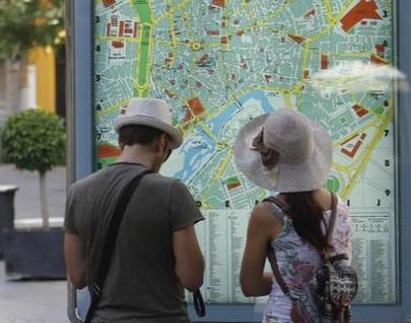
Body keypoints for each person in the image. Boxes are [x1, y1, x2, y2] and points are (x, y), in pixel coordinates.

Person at [64, 98, 205, 322]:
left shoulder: (78, 192)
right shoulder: (172, 191)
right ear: (161, 143)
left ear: (121, 142)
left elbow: (79, 276)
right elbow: (192, 278)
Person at [237, 108, 354, 323]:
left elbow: (250, 285)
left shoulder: (267, 214)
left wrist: (295, 280)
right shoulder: (342, 210)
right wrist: (317, 284)